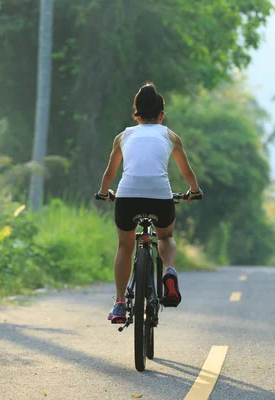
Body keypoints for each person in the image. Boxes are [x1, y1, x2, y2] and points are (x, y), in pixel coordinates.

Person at [96, 82, 202, 323]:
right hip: (160, 196)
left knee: (125, 246)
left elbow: (109, 173)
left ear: (136, 115)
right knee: (165, 237)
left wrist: (104, 192)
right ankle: (169, 272)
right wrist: (194, 191)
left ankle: (121, 303)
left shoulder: (123, 136)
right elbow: (187, 171)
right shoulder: (170, 136)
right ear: (161, 115)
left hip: (127, 196)